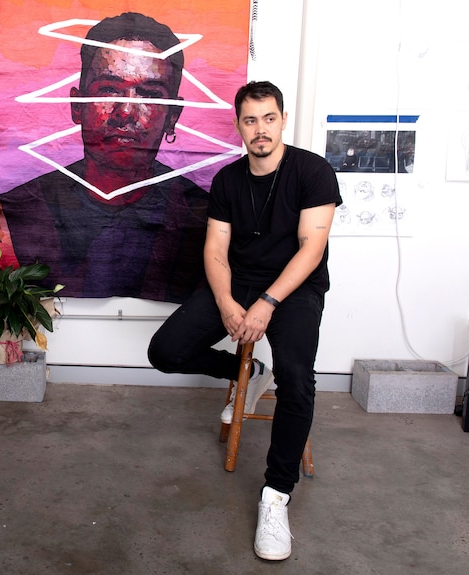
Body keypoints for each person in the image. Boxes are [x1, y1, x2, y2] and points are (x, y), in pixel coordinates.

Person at [147, 81, 341, 560]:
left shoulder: (312, 172)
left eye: (268, 118)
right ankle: (248, 373)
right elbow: (215, 250)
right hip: (238, 283)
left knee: (297, 379)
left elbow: (311, 249)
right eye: (250, 120)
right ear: (238, 125)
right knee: (165, 351)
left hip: (294, 289)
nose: (260, 129)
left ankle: (276, 494)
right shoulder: (228, 180)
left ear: (282, 119)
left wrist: (268, 303)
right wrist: (230, 304)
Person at [0, 12, 209, 303]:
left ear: (173, 116)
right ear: (76, 106)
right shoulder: (22, 211)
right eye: (109, 89)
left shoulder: (201, 214)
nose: (125, 110)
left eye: (148, 94)